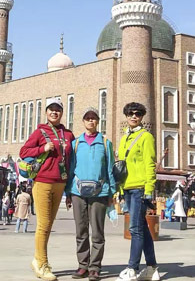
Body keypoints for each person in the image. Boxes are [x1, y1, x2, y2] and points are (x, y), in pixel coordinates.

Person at [20, 97, 75, 281]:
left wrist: (69, 190)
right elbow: (24, 152)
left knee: (48, 226)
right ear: (46, 112)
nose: (54, 112)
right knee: (43, 225)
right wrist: (43, 148)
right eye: (51, 109)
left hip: (60, 183)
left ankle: (37, 260)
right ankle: (42, 264)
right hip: (42, 181)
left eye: (57, 109)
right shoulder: (40, 131)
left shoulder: (68, 134)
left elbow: (70, 162)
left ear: (62, 112)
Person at [65, 107, 116, 281]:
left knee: (97, 233)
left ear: (98, 121)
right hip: (78, 191)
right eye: (88, 118)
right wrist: (68, 192)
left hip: (100, 192)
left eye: (94, 118)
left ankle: (95, 267)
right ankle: (82, 265)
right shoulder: (76, 143)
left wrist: (112, 192)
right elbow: (71, 168)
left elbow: (109, 169)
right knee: (81, 230)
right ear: (83, 121)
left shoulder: (106, 142)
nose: (91, 121)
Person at [117, 102, 159, 281]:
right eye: (130, 113)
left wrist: (149, 189)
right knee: (142, 228)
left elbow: (150, 164)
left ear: (142, 116)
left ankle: (132, 268)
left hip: (139, 188)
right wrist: (119, 188)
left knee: (135, 229)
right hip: (127, 187)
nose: (134, 116)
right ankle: (151, 268)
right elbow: (121, 165)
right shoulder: (124, 136)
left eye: (138, 114)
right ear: (126, 116)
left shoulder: (146, 136)